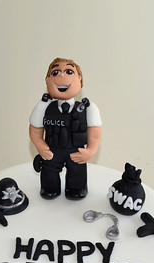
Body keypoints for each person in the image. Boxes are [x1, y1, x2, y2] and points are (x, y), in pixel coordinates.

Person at [29, 58, 102, 199]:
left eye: (69, 72)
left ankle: (76, 189)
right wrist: (40, 146)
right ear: (47, 80)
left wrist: (91, 150)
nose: (62, 76)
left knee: (77, 172)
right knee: (49, 172)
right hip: (52, 150)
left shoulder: (89, 108)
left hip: (76, 151)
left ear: (79, 79)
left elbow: (95, 133)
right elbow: (35, 130)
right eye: (55, 72)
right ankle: (50, 188)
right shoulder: (43, 107)